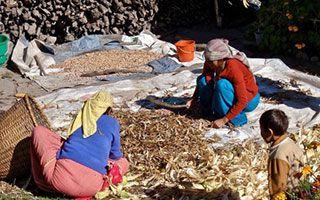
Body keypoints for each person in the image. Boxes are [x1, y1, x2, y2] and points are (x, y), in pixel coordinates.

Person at [30, 91, 129, 199]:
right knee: (124, 162)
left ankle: (42, 184)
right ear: (109, 109)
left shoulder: (81, 118)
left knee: (39, 131)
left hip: (60, 180)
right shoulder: (112, 122)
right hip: (92, 187)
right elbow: (115, 155)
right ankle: (105, 180)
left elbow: (69, 139)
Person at [187, 39, 260, 128]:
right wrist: (194, 98)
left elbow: (242, 100)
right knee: (202, 80)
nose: (208, 64)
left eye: (211, 61)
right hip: (231, 94)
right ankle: (207, 112)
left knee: (222, 84)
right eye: (207, 60)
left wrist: (224, 120)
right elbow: (203, 81)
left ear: (221, 59)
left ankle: (238, 119)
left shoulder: (233, 68)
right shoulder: (210, 62)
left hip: (249, 99)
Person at [259, 109, 304, 199]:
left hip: (290, 196)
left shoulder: (277, 155)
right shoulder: (290, 143)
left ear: (270, 132)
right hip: (302, 192)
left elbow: (278, 188)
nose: (260, 133)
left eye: (261, 129)